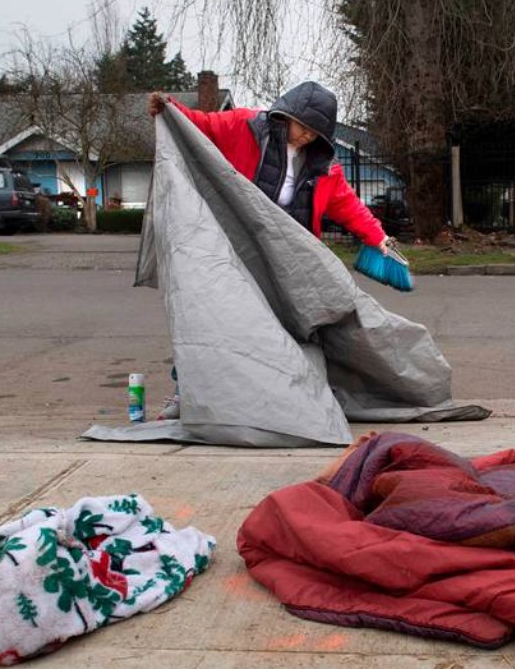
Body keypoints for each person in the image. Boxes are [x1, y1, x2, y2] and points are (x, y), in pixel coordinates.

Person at [146, 81, 393, 419]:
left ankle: (294, 397)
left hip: (291, 261)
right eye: (302, 126)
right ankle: (187, 393)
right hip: (238, 251)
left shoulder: (325, 168)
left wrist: (377, 237)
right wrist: (168, 106)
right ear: (285, 114)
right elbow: (199, 124)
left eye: (314, 133)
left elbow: (349, 206)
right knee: (217, 321)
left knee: (296, 329)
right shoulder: (243, 126)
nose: (305, 136)